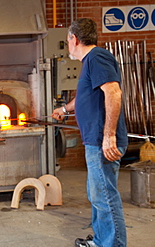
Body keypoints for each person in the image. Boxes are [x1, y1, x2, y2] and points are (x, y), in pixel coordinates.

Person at [51, 19, 128, 247]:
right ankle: (100, 240)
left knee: (105, 197)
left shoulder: (97, 57)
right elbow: (87, 97)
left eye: (67, 40)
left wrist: (109, 135)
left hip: (100, 140)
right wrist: (64, 109)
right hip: (94, 141)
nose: (68, 45)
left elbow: (113, 92)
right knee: (97, 195)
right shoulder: (91, 61)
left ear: (74, 39)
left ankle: (112, 244)